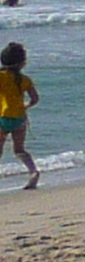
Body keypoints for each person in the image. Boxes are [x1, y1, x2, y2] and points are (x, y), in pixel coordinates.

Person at [0, 43, 33, 187]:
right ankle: (33, 172)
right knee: (19, 149)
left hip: (3, 118)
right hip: (19, 119)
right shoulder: (25, 80)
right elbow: (35, 99)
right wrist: (25, 106)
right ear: (22, 63)